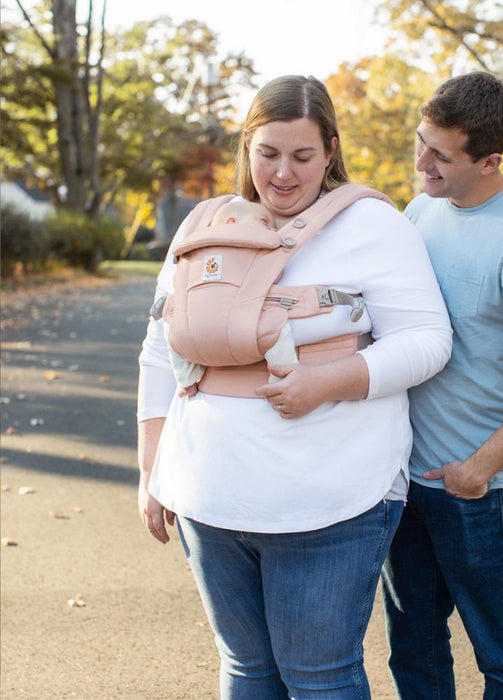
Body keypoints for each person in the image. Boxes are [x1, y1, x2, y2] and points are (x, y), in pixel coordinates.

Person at [137, 74, 452, 700]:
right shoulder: (206, 225)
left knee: (318, 676)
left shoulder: (372, 225)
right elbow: (157, 352)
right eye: (268, 154)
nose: (283, 174)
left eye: (303, 156)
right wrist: (151, 471)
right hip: (209, 494)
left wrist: (327, 383)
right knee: (247, 669)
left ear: (330, 151)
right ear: (247, 148)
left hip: (333, 498)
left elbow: (427, 341)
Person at [381, 71, 503, 699]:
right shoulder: (421, 209)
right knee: (414, 652)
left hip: (481, 493)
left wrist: (477, 469)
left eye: (441, 154)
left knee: (502, 656)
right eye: (421, 142)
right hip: (406, 481)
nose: (422, 162)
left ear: (490, 160)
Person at [158, 199, 298, 398]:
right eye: (265, 222)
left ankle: (185, 380)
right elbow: (273, 276)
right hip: (244, 329)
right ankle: (282, 376)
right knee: (277, 330)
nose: (272, 231)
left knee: (174, 336)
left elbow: (178, 283)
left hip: (189, 333)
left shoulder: (193, 250)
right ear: (232, 223)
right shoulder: (253, 250)